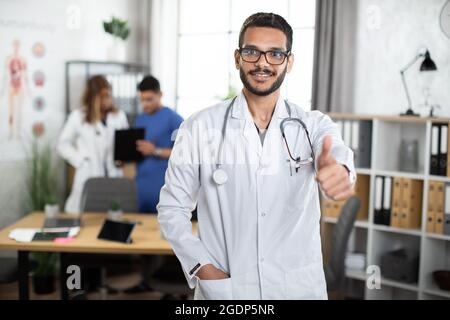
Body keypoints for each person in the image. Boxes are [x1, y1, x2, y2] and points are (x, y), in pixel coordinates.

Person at [157, 13, 356, 300]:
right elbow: (172, 209)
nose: (262, 62)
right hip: (229, 290)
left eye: (275, 53)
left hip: (297, 288)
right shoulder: (199, 127)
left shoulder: (313, 125)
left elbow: (338, 156)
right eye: (252, 52)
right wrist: (203, 267)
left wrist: (341, 172)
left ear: (289, 62)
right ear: (237, 58)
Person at [58, 75, 129, 213]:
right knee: (86, 214)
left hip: (113, 173)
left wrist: (123, 158)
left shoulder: (118, 116)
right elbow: (62, 144)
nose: (107, 100)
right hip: (89, 172)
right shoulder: (78, 117)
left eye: (109, 95)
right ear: (93, 96)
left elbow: (124, 143)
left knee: (113, 213)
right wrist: (81, 160)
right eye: (103, 96)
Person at [133, 75, 183, 213]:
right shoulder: (140, 119)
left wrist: (155, 151)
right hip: (141, 188)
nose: (145, 104)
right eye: (142, 100)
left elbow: (185, 154)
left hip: (163, 188)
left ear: (160, 95)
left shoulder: (174, 119)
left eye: (149, 99)